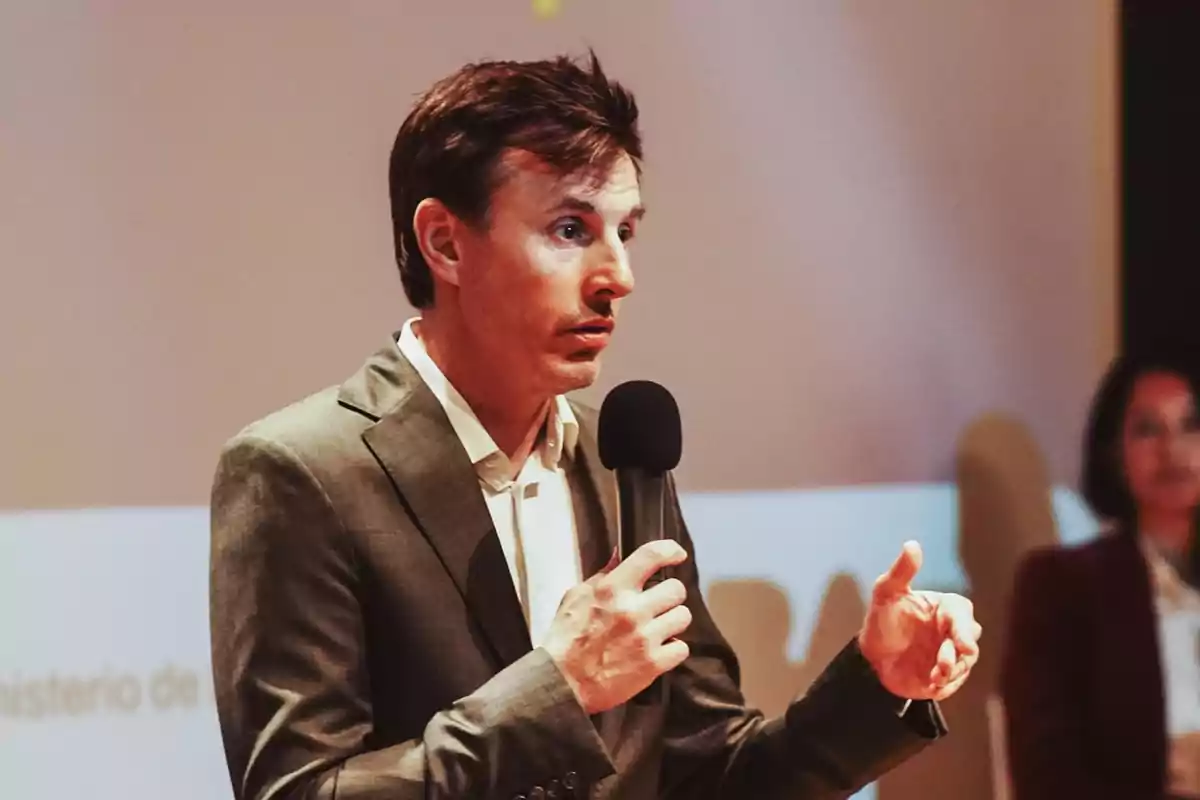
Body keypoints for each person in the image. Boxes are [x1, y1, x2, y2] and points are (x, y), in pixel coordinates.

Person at [209, 52, 981, 800]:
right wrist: (559, 688)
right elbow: (300, 791)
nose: (619, 276)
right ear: (444, 241)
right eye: (571, 230)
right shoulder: (301, 471)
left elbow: (710, 775)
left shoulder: (623, 465)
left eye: (626, 232)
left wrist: (878, 684)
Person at [1002, 352, 1200, 799]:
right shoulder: (1060, 586)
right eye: (1149, 429)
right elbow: (1046, 777)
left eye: (1191, 425)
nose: (1173, 450)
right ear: (1114, 452)